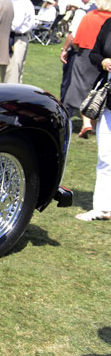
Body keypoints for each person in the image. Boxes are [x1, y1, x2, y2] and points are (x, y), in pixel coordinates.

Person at [63, 0, 111, 138]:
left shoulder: (90, 16)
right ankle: (95, 123)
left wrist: (68, 49)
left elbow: (77, 38)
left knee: (83, 88)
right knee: (99, 90)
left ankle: (86, 123)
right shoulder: (108, 19)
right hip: (103, 58)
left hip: (86, 54)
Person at [77, 14, 111, 221]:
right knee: (105, 155)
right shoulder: (108, 24)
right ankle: (102, 207)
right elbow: (94, 54)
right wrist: (104, 61)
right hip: (108, 100)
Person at [5, 0, 36, 83]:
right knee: (14, 73)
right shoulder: (18, 1)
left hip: (17, 39)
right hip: (17, 39)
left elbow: (14, 24)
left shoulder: (21, 3)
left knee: (11, 74)